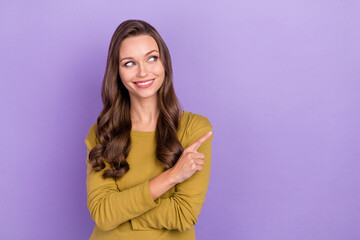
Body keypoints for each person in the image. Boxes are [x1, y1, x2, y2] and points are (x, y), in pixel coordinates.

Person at [84, 19, 214, 240]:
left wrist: (121, 211)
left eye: (151, 58)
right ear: (117, 72)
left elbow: (183, 214)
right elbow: (103, 215)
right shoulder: (102, 131)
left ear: (164, 63)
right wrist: (172, 176)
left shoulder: (195, 129)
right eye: (129, 63)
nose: (143, 72)